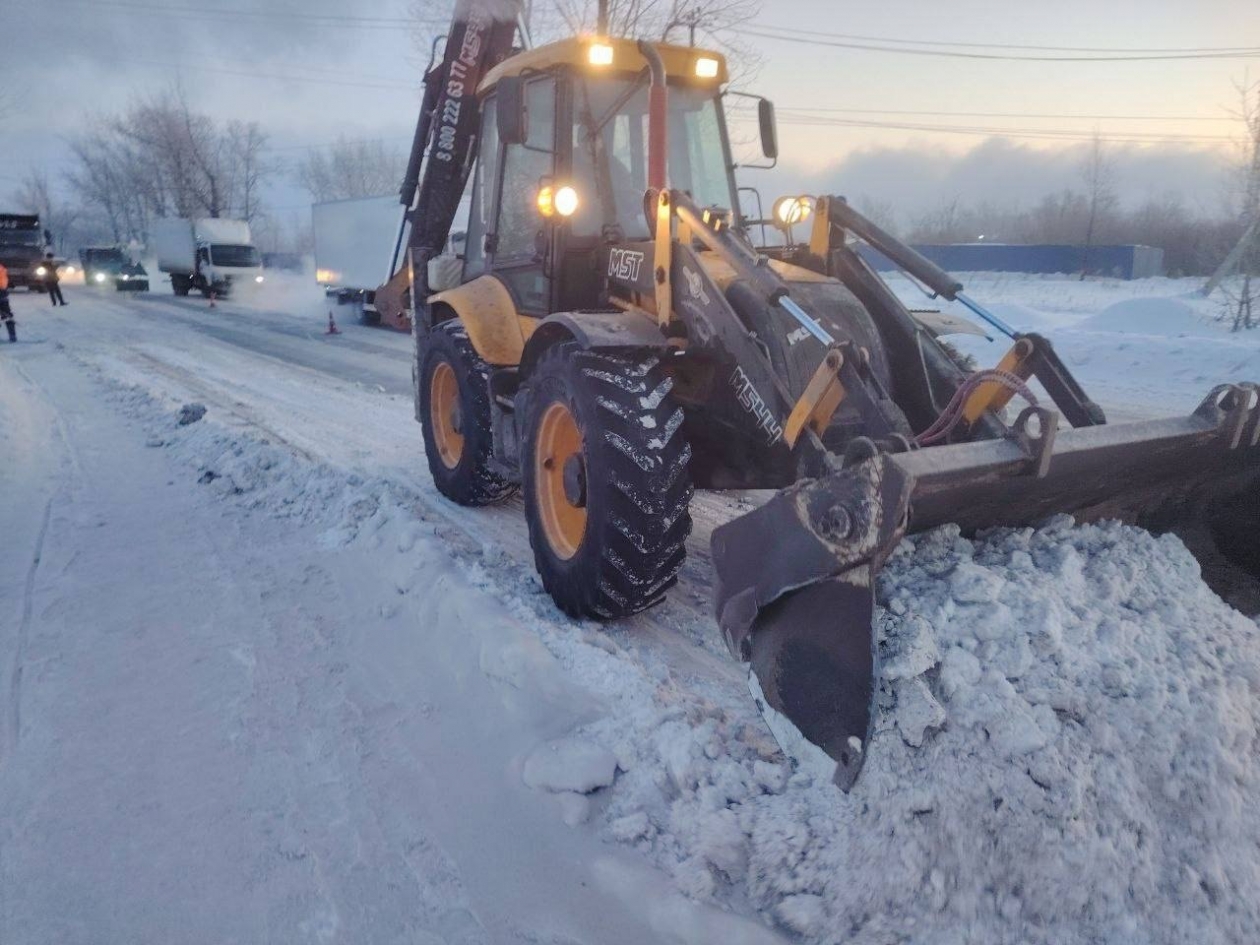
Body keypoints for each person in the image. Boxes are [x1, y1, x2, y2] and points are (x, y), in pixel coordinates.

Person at [0, 261, 15, 342]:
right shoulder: (2, 268)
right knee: (7, 315)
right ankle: (12, 335)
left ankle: (12, 335)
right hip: (3, 294)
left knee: (6, 314)